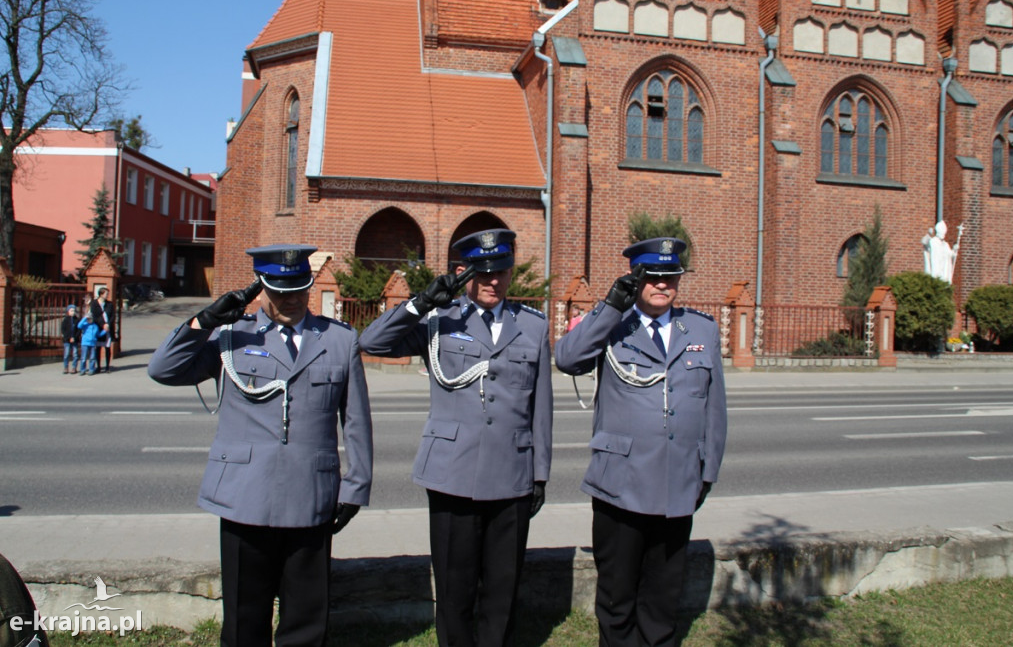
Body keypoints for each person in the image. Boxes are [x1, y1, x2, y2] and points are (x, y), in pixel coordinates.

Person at [147, 244, 373, 647]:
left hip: (312, 496)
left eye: (299, 289)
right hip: (243, 495)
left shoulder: (338, 340)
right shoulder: (231, 335)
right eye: (279, 290)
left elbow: (355, 421)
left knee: (307, 619)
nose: (290, 299)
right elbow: (163, 369)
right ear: (262, 288)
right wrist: (205, 320)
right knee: (243, 618)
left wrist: (355, 487)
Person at [359, 229, 553, 646]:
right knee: (454, 589)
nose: (492, 281)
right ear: (464, 273)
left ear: (510, 272)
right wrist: (421, 302)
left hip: (512, 473)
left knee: (502, 590)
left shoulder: (533, 326)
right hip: (453, 472)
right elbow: (372, 341)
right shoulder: (440, 320)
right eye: (482, 272)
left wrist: (540, 473)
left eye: (500, 271)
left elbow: (541, 406)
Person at [555, 237, 728, 647]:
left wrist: (708, 470)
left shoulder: (700, 329)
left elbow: (714, 408)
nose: (663, 285)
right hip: (621, 485)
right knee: (617, 598)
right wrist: (612, 306)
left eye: (671, 277)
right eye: (653, 277)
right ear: (637, 277)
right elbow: (567, 359)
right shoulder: (612, 324)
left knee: (662, 598)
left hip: (676, 481)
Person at [91, 287, 116, 372]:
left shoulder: (109, 304)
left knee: (107, 347)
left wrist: (108, 325)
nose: (107, 295)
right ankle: (98, 366)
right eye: (106, 294)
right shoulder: (94, 304)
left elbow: (112, 316)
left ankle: (107, 366)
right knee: (98, 348)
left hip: (108, 329)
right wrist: (102, 325)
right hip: (98, 328)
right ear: (101, 294)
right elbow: (94, 316)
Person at [61, 304, 80, 374]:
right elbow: (63, 330)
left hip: (75, 340)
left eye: (74, 311)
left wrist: (74, 338)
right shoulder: (65, 320)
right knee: (66, 354)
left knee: (75, 354)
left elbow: (78, 330)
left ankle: (74, 367)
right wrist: (68, 338)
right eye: (71, 311)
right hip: (67, 340)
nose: (73, 312)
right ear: (68, 311)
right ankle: (66, 367)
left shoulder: (77, 320)